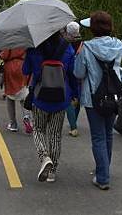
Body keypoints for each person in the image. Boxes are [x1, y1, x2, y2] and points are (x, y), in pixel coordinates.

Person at [74, 11, 122, 190]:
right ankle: (103, 169)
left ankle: (102, 176)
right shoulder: (119, 45)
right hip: (114, 96)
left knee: (98, 137)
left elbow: (79, 73)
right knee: (108, 134)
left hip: (93, 98)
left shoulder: (86, 47)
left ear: (93, 29)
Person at [23, 32, 76, 183]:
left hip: (40, 97)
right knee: (55, 135)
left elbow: (25, 71)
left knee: (38, 129)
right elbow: (72, 74)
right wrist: (74, 94)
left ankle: (44, 157)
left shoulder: (34, 48)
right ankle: (52, 172)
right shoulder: (68, 48)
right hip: (61, 97)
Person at [0, 48, 33, 133]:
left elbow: (3, 56)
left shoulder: (9, 41)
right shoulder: (25, 40)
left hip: (10, 68)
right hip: (23, 66)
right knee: (24, 95)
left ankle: (13, 124)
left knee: (10, 96)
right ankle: (27, 117)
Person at [61, 21, 83, 137]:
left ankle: (73, 126)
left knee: (68, 99)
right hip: (80, 73)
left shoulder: (66, 44)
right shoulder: (82, 43)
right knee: (77, 97)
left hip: (67, 73)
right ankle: (74, 121)